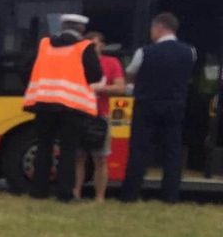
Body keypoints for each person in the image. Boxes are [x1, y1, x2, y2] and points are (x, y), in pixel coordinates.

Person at [22, 13, 104, 201]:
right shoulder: (85, 47)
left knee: (43, 147)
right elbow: (96, 76)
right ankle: (65, 194)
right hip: (72, 107)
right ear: (81, 30)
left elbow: (26, 68)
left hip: (43, 104)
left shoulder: (44, 45)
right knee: (68, 150)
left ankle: (38, 191)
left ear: (62, 26)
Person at [119, 12, 196, 203]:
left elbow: (130, 73)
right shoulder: (190, 52)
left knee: (139, 150)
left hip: (146, 106)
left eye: (152, 29)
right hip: (175, 107)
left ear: (159, 27)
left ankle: (130, 194)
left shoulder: (144, 52)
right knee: (172, 152)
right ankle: (170, 196)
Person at [74, 30, 126, 201]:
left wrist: (99, 88)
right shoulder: (76, 63)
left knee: (100, 159)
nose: (90, 48)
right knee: (78, 158)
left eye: (94, 44)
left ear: (102, 45)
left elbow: (120, 88)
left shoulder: (111, 63)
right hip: (79, 114)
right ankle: (75, 193)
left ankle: (100, 197)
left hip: (100, 117)